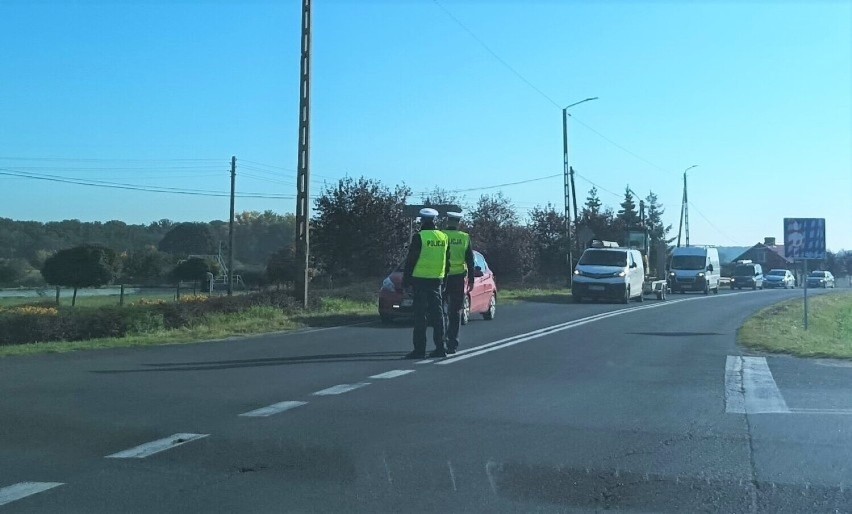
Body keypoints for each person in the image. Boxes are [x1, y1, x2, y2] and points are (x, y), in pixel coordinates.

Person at [402, 208, 450, 359]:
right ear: (435, 221)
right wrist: (445, 279)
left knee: (420, 316)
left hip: (420, 280)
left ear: (421, 220)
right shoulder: (443, 237)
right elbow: (447, 261)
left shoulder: (419, 237)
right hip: (437, 280)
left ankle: (419, 350)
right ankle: (441, 347)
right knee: (438, 315)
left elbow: (411, 260)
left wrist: (406, 280)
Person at [442, 211, 475, 354]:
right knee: (455, 311)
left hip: (441, 277)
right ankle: (452, 343)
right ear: (458, 223)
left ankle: (440, 341)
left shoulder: (441, 235)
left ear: (448, 221)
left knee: (441, 311)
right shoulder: (464, 237)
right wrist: (472, 279)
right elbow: (470, 260)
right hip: (458, 278)